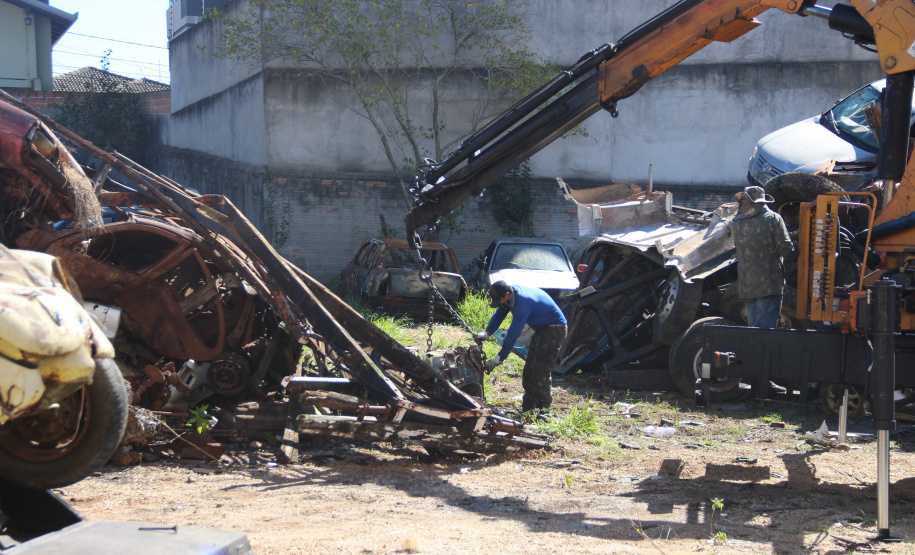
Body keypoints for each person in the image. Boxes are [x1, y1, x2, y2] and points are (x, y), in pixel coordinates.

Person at [476, 280, 567, 413]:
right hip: (542, 330)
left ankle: (543, 409)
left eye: (499, 301)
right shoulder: (510, 295)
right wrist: (487, 332)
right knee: (529, 370)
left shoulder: (522, 303)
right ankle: (528, 408)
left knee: (540, 370)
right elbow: (499, 314)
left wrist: (499, 358)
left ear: (506, 295)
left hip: (554, 330)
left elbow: (513, 333)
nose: (500, 304)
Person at [730, 185, 797, 328]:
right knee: (764, 329)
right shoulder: (772, 218)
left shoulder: (736, 222)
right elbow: (786, 250)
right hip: (769, 283)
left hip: (747, 284)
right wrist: (800, 249)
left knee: (753, 328)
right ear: (763, 201)